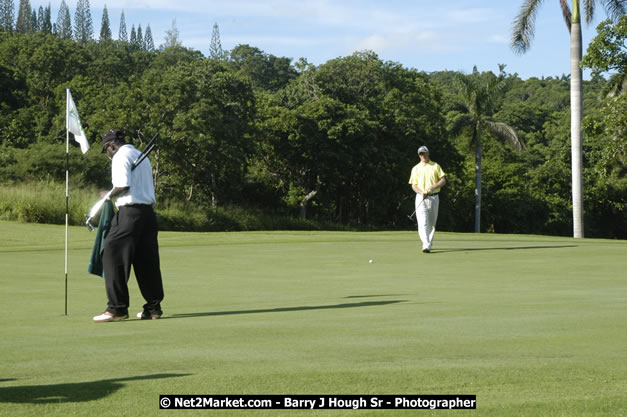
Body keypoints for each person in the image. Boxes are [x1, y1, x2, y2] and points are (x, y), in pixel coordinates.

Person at [92, 129, 165, 322]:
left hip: (129, 214)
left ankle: (117, 308)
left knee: (112, 253)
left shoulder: (120, 156)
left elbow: (123, 185)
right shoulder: (141, 155)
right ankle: (153, 308)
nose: (108, 154)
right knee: (146, 261)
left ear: (112, 146)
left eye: (106, 150)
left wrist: (107, 195)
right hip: (148, 215)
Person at [409, 146, 446, 253]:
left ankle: (429, 242)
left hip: (434, 197)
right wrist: (421, 192)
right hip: (421, 198)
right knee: (422, 222)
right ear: (419, 155)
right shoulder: (415, 168)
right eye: (421, 154)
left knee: (431, 223)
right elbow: (413, 185)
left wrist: (433, 187)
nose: (423, 155)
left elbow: (443, 180)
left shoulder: (435, 166)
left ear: (428, 153)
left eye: (424, 153)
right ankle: (426, 244)